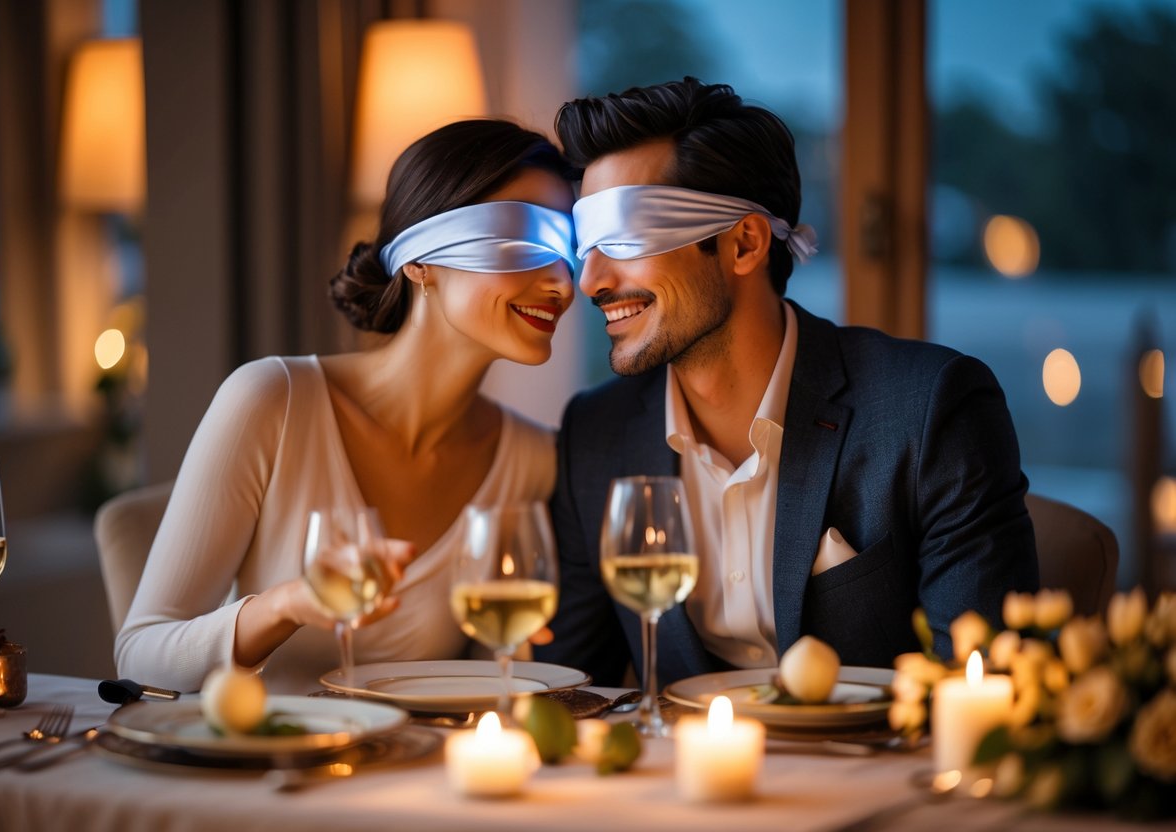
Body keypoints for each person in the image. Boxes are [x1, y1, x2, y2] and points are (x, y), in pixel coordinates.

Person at [535, 78, 1039, 687]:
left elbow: (982, 691)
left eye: (622, 240)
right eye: (585, 245)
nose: (591, 281)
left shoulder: (932, 408)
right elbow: (566, 691)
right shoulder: (596, 437)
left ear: (744, 242)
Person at [116, 119, 576, 693]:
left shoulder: (532, 458)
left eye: (570, 250)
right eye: (525, 240)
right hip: (260, 771)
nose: (561, 283)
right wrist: (287, 605)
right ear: (419, 259)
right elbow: (138, 657)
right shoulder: (272, 402)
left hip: (414, 774)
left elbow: (485, 675)